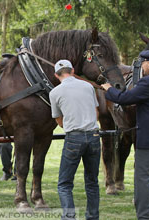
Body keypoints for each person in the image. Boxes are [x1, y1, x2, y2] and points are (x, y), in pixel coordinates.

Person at [101, 50, 149, 220]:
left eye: (142, 63)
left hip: (148, 141)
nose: (141, 67)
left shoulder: (148, 83)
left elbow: (125, 98)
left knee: (142, 179)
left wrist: (109, 89)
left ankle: (143, 216)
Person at [49, 60, 100, 220]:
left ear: (56, 75)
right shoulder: (88, 86)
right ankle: (93, 217)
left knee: (64, 183)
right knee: (92, 182)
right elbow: (96, 111)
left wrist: (69, 126)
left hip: (74, 137)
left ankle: (69, 217)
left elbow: (58, 118)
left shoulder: (55, 92)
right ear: (72, 71)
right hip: (93, 136)